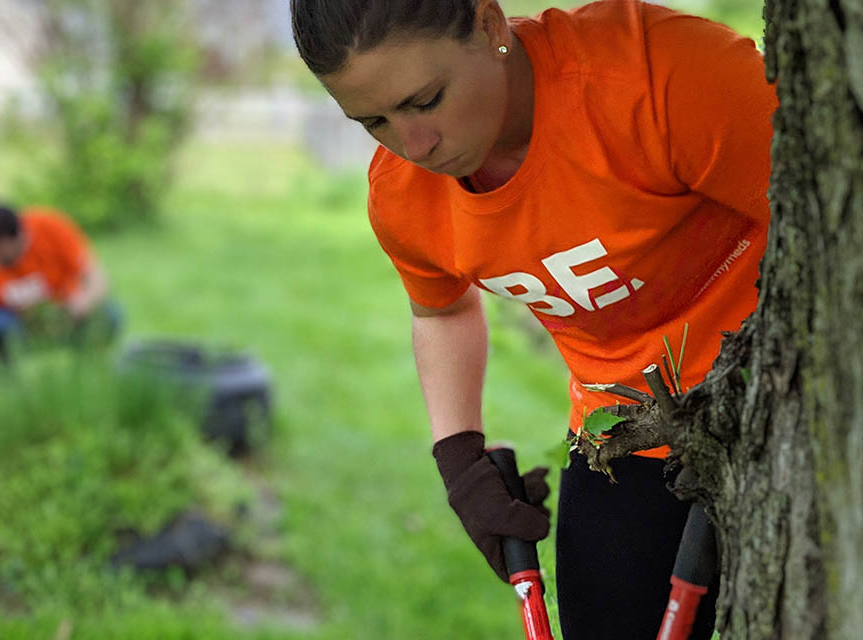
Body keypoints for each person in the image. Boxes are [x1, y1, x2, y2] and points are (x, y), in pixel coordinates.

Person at [290, 0, 775, 637]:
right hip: (630, 430)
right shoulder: (406, 197)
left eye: (426, 100)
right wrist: (460, 458)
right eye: (373, 121)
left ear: (489, 24)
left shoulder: (664, 79)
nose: (415, 146)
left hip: (783, 401)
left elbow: (836, 226)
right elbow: (441, 310)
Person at [0, 203, 119, 399]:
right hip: (17, 327)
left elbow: (98, 278)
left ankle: (87, 376)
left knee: (108, 314)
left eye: (11, 253)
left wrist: (82, 303)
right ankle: (13, 390)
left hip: (65, 316)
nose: (6, 259)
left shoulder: (49, 227)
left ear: (21, 236)